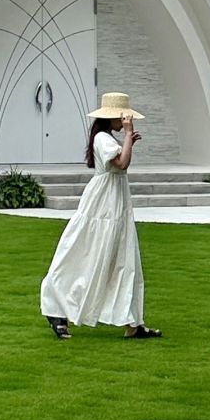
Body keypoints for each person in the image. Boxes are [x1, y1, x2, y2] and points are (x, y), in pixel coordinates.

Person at [40, 91, 162, 341]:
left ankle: (132, 322)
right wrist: (128, 136)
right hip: (104, 201)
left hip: (115, 200)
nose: (125, 121)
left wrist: (128, 140)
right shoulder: (103, 139)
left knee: (123, 257)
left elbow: (121, 163)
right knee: (86, 251)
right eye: (123, 118)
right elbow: (122, 164)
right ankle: (56, 307)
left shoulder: (105, 138)